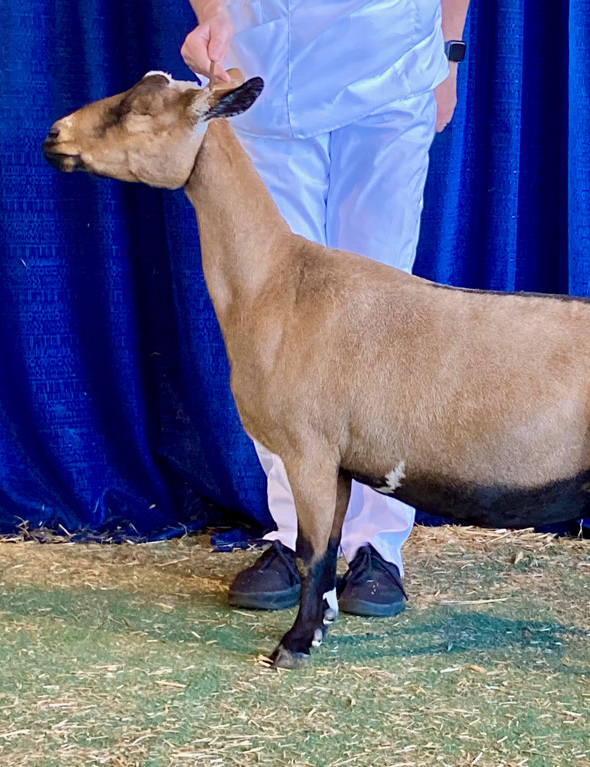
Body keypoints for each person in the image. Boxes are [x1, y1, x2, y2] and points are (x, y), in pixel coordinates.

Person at [181, 0, 470, 617]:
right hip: (265, 65)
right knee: (274, 315)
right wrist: (213, 16)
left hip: (391, 61)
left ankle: (379, 542)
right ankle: (298, 534)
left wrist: (450, 53)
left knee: (384, 312)